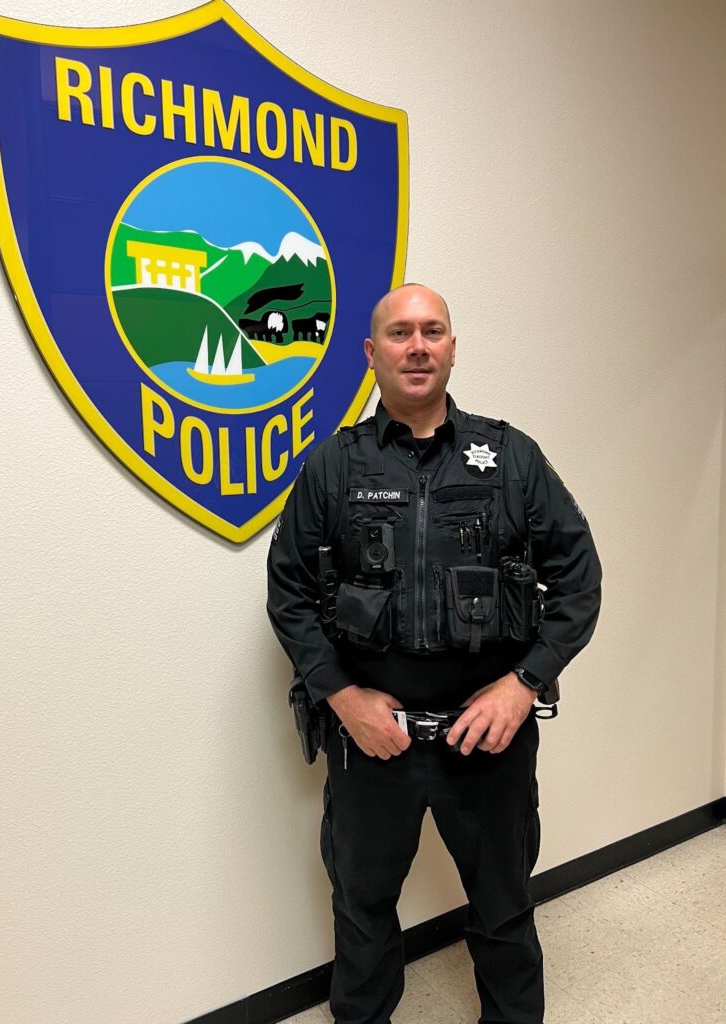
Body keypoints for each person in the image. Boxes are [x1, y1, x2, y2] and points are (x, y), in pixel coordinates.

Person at [267, 284, 602, 1024]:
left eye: (433, 331)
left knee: (505, 910)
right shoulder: (333, 468)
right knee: (361, 913)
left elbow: (580, 581)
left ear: (452, 346)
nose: (417, 346)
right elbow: (288, 591)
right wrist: (343, 699)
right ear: (372, 352)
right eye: (399, 333)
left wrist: (522, 685)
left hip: (488, 736)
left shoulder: (511, 458)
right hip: (370, 740)